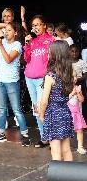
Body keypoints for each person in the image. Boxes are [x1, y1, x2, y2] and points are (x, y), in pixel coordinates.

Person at [0, 22, 30, 146]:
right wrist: (6, 24)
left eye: (9, 30)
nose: (6, 32)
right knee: (1, 109)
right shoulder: (3, 39)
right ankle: (1, 134)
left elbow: (8, 60)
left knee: (16, 109)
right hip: (0, 80)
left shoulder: (17, 45)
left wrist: (0, 45)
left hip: (11, 81)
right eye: (5, 30)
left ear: (15, 33)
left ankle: (25, 135)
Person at [39, 40, 75, 161]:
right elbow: (68, 94)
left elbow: (44, 101)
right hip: (65, 112)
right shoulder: (70, 73)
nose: (48, 55)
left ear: (55, 55)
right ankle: (69, 177)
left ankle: (58, 178)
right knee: (66, 149)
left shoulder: (50, 76)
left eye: (49, 53)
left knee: (55, 150)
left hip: (53, 114)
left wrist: (41, 114)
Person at [23, 15, 55, 148]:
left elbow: (54, 61)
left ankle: (50, 136)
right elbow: (26, 58)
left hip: (43, 79)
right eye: (34, 25)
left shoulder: (51, 40)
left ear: (44, 25)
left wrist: (49, 76)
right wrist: (27, 44)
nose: (35, 27)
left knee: (44, 107)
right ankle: (44, 137)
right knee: (36, 109)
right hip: (29, 78)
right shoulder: (32, 41)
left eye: (38, 24)